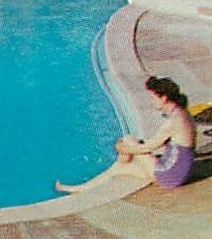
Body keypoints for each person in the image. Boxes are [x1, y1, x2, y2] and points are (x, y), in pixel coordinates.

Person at [56, 76, 196, 192]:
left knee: (128, 140)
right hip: (179, 174)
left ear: (164, 98)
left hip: (168, 175)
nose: (151, 102)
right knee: (118, 169)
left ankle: (121, 159)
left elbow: (146, 148)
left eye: (153, 98)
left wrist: (123, 149)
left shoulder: (172, 122)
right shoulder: (183, 113)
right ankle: (79, 188)